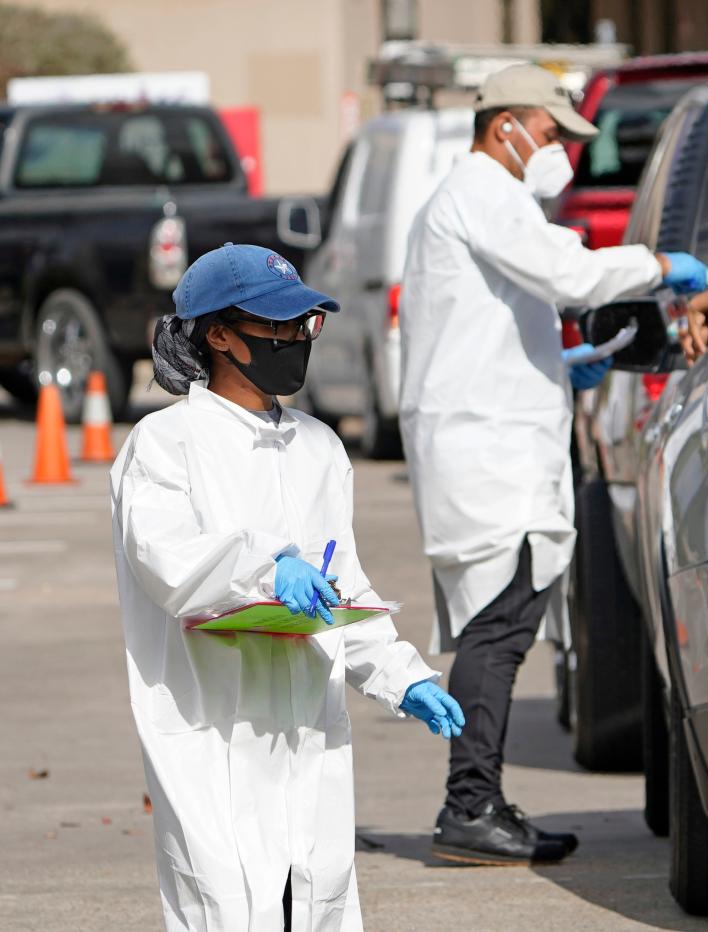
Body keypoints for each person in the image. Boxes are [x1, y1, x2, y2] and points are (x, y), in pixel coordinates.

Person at [398, 64, 708, 866]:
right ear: (505, 125)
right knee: (497, 629)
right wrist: (658, 265)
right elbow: (567, 275)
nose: (558, 149)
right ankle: (468, 807)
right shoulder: (480, 194)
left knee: (499, 624)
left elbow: (497, 318)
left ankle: (479, 801)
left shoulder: (481, 202)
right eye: (549, 131)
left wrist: (560, 362)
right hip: (485, 446)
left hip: (493, 434)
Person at [111, 243, 465, 931]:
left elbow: (344, 590)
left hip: (307, 731)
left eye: (305, 324)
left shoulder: (318, 448)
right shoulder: (165, 444)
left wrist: (403, 677)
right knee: (226, 901)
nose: (296, 340)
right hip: (212, 729)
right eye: (278, 326)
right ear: (218, 334)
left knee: (314, 898)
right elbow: (167, 560)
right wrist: (267, 567)